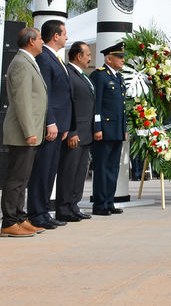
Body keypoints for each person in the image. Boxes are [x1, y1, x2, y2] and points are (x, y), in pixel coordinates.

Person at [0, 27, 48, 238]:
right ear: (31, 42)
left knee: (22, 179)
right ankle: (10, 221)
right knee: (16, 179)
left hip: (30, 131)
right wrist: (29, 131)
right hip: (22, 132)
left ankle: (20, 217)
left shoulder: (28, 62)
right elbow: (22, 101)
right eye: (39, 39)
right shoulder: (21, 63)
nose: (42, 42)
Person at [27, 20, 74, 229]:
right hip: (50, 126)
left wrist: (64, 125)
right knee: (42, 170)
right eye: (64, 34)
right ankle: (36, 213)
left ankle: (44, 211)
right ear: (55, 36)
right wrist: (51, 122)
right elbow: (45, 94)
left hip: (59, 126)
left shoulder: (55, 59)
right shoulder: (45, 58)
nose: (67, 38)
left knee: (50, 171)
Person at [55, 41, 95, 222]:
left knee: (80, 173)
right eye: (87, 55)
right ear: (78, 56)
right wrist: (72, 132)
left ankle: (73, 205)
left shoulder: (82, 76)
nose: (90, 58)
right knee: (68, 172)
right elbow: (68, 104)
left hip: (86, 133)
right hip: (75, 132)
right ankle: (63, 208)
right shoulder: (69, 74)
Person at [90, 41, 128, 214]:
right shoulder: (100, 75)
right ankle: (100, 204)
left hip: (116, 130)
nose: (122, 60)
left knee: (113, 167)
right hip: (104, 130)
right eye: (119, 57)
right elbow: (96, 104)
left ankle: (109, 201)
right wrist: (97, 127)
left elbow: (122, 107)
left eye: (122, 57)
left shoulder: (118, 77)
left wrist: (124, 128)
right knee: (102, 167)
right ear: (109, 58)